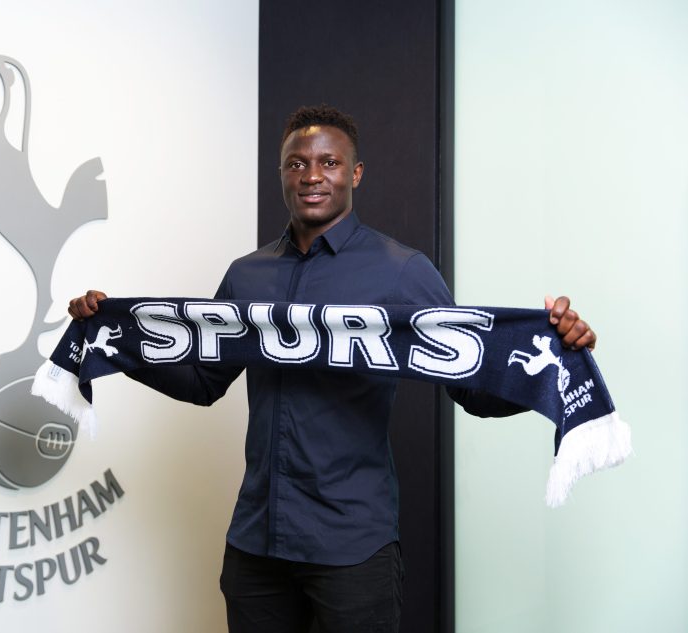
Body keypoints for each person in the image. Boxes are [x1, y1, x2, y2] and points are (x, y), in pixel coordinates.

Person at [67, 105, 596, 633]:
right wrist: (114, 341)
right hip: (256, 547)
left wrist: (558, 352)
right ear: (282, 174)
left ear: (355, 173)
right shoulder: (247, 276)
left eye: (329, 163)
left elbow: (472, 387)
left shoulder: (402, 272)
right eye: (296, 164)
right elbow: (206, 382)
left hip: (352, 549)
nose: (312, 175)